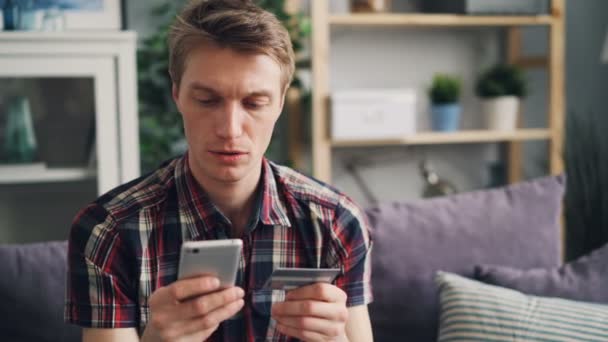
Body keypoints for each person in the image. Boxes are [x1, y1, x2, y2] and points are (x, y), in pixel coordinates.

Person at [65, 1, 374, 341]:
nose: (229, 129)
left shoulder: (336, 222)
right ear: (177, 95)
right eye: (207, 100)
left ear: (281, 103)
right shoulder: (110, 231)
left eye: (254, 103)